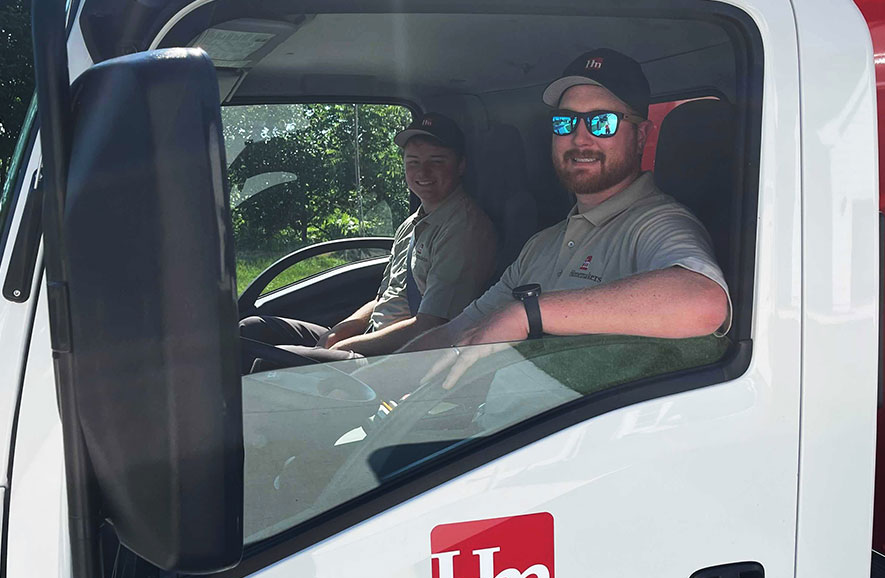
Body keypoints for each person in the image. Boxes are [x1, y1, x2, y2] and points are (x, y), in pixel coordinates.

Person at [401, 48, 732, 387]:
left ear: (641, 136)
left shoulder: (657, 224)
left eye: (603, 122)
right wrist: (389, 375)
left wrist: (528, 314)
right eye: (566, 121)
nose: (580, 137)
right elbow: (459, 331)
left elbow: (703, 301)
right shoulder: (541, 244)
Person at [240, 112, 497, 368]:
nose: (423, 172)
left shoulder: (464, 228)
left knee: (268, 364)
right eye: (413, 161)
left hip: (401, 358)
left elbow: (432, 326)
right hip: (374, 339)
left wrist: (343, 348)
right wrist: (339, 331)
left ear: (460, 165)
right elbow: (385, 296)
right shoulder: (412, 224)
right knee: (252, 331)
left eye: (437, 161)